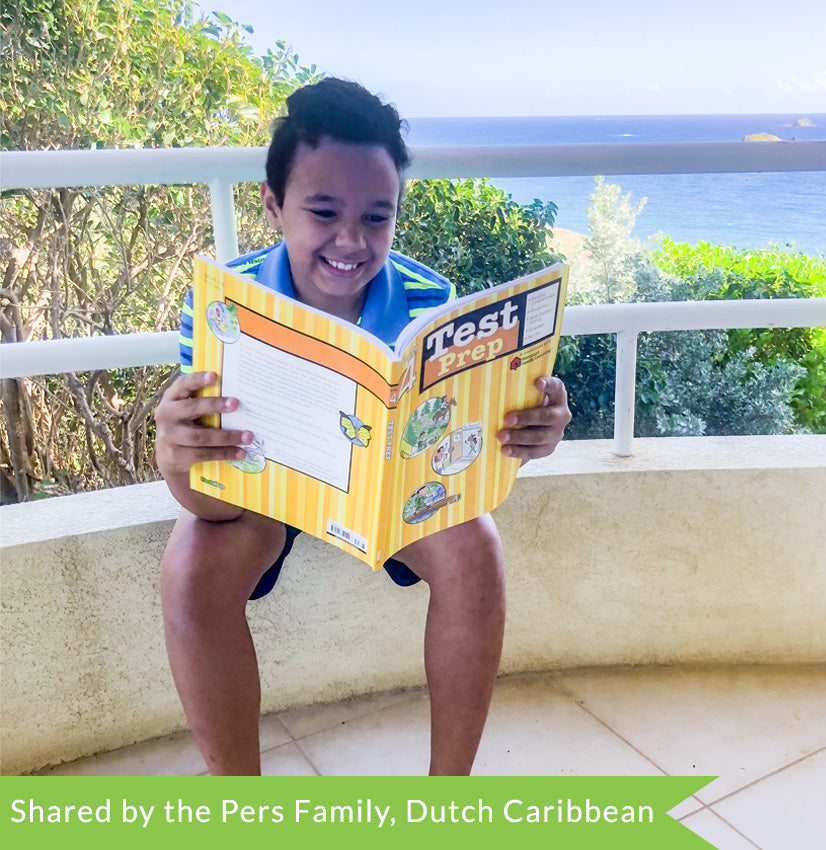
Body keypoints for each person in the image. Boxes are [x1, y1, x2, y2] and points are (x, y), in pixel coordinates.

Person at [154, 78, 571, 776]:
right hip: (264, 497)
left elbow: (458, 465)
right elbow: (212, 504)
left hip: (386, 495)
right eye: (323, 211)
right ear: (272, 204)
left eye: (377, 218)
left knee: (477, 552)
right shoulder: (224, 312)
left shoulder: (426, 305)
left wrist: (528, 434)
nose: (352, 241)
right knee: (190, 569)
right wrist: (177, 464)